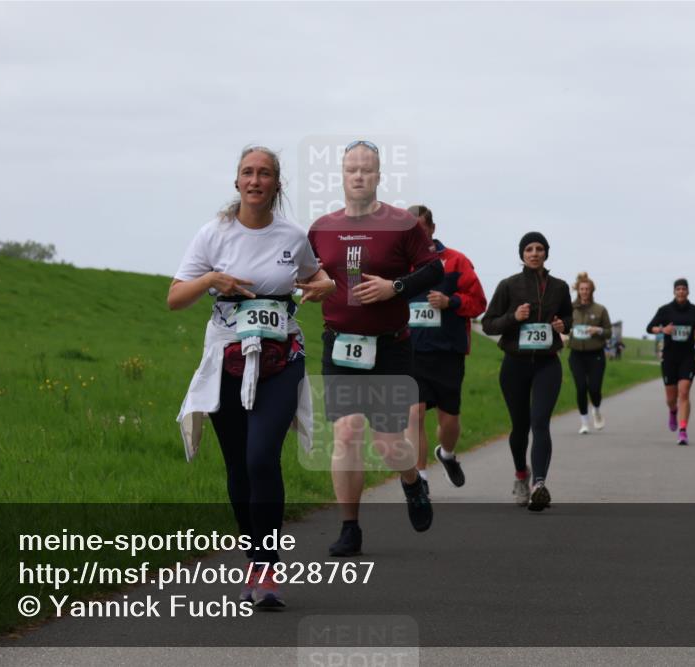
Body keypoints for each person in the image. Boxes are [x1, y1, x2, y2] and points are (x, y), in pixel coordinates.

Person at [172, 146, 336, 608]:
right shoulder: (213, 234)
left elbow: (318, 278)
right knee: (239, 466)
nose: (255, 180)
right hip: (227, 359)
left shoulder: (292, 236)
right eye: (248, 172)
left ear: (276, 184)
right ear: (237, 181)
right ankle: (254, 558)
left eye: (264, 173)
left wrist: (325, 285)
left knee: (262, 457)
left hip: (282, 359)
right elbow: (175, 297)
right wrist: (211, 281)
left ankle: (267, 569)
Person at [308, 140, 444, 556]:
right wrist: (312, 287)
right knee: (347, 432)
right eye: (352, 169)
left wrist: (394, 287)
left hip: (389, 348)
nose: (359, 176)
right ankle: (349, 527)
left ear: (379, 176)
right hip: (340, 346)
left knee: (388, 445)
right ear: (341, 174)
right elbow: (308, 273)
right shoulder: (321, 228)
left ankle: (412, 481)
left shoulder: (402, 224)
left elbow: (434, 270)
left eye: (366, 169)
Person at [481, 232, 572, 511]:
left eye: (539, 249)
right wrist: (513, 317)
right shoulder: (508, 285)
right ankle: (522, 475)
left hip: (547, 363)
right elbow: (488, 324)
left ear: (546, 253)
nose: (534, 253)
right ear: (522, 254)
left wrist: (563, 325)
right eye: (529, 249)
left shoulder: (559, 287)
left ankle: (539, 485)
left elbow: (568, 317)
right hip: (515, 364)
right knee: (520, 427)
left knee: (540, 422)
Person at [404, 205, 487, 489]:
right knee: (414, 414)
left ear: (432, 229)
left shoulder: (456, 261)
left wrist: (450, 302)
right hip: (410, 351)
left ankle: (447, 454)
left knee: (449, 420)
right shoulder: (398, 264)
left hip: (448, 352)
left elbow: (479, 303)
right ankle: (421, 479)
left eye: (420, 229)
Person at [646, 278, 695, 446]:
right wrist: (663, 329)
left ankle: (683, 430)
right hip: (669, 357)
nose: (681, 291)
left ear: (688, 291)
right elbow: (649, 328)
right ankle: (673, 410)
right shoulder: (665, 310)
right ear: (674, 291)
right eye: (678, 289)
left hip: (687, 357)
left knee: (684, 393)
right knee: (671, 398)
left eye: (684, 288)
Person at [567, 272, 612, 435]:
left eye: (587, 289)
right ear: (578, 290)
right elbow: (563, 326)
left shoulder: (600, 310)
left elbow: (609, 332)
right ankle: (584, 422)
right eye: (582, 289)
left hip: (596, 355)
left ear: (592, 290)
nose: (584, 292)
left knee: (594, 388)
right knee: (581, 388)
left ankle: (597, 410)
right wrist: (564, 334)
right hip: (576, 354)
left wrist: (597, 330)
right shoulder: (570, 309)